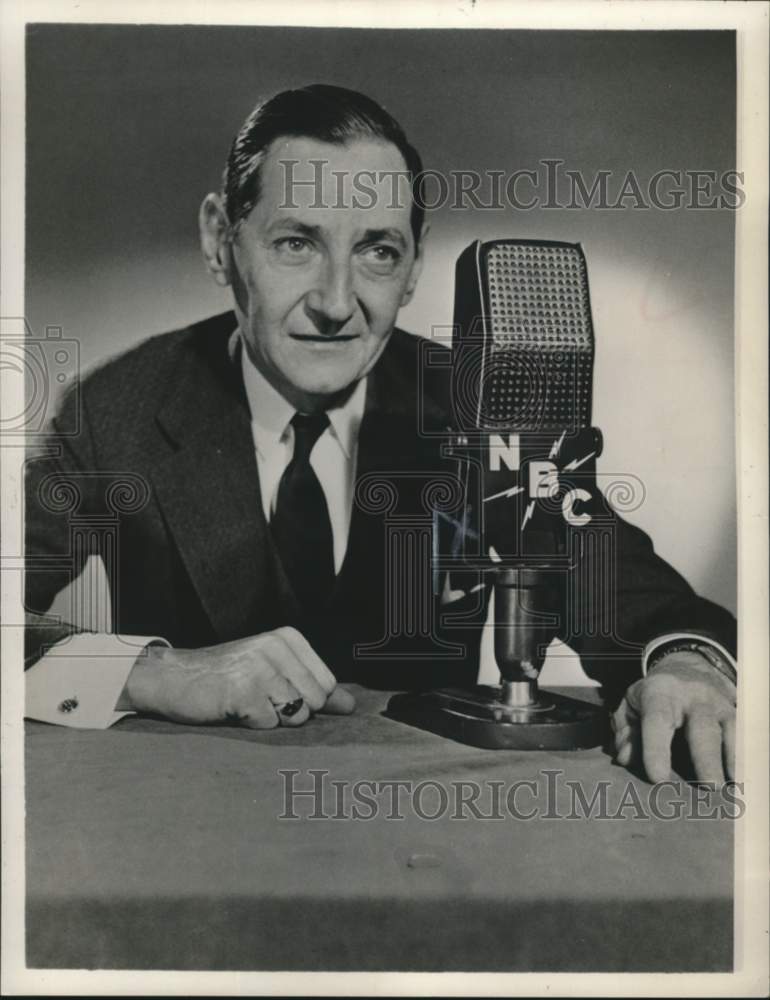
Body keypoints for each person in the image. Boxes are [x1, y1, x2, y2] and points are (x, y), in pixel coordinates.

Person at [24, 84, 737, 784]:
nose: (337, 303)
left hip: (422, 837)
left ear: (415, 266)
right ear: (221, 242)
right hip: (186, 824)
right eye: (297, 243)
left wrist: (684, 669)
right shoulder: (117, 406)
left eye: (377, 252)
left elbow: (652, 610)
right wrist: (152, 672)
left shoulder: (483, 404)